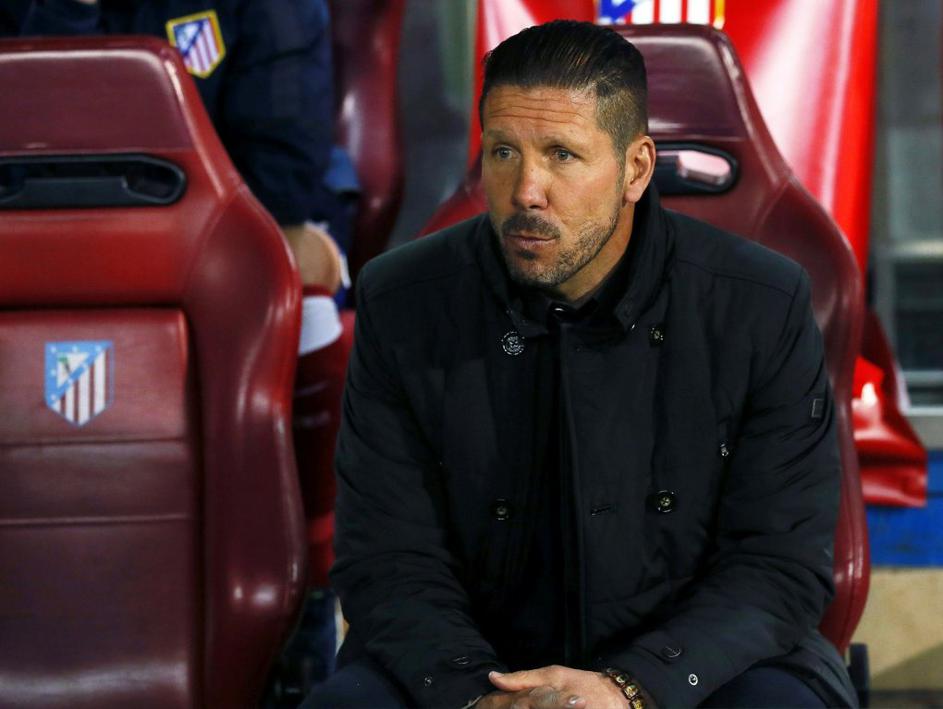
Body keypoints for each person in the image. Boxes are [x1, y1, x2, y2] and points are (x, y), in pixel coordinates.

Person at [308, 19, 858, 709]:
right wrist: (474, 694)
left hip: (700, 665)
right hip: (471, 665)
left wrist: (631, 688)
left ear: (636, 169)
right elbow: (388, 557)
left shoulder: (761, 303)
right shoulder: (402, 302)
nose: (525, 190)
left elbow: (776, 563)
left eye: (562, 155)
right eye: (503, 152)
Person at [0, 0, 352, 691]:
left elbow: (282, 172)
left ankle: (302, 599)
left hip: (213, 229)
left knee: (299, 287)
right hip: (26, 230)